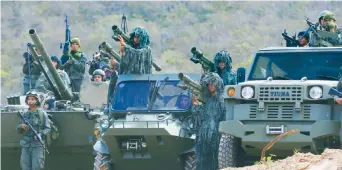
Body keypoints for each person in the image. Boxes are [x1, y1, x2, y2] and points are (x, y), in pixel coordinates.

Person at [191, 72, 226, 170]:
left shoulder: (222, 101)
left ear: (217, 84)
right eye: (208, 84)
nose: (210, 86)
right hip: (203, 136)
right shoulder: (207, 100)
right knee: (201, 160)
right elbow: (201, 116)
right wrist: (195, 106)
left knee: (215, 161)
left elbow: (224, 118)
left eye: (212, 83)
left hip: (216, 136)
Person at [16, 90, 51, 170]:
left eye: (32, 99)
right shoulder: (24, 113)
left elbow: (47, 128)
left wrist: (40, 134)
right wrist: (21, 126)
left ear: (37, 100)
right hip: (26, 144)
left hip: (37, 144)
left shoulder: (42, 114)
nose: (30, 101)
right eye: (29, 99)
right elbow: (18, 129)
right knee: (24, 165)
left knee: (37, 166)